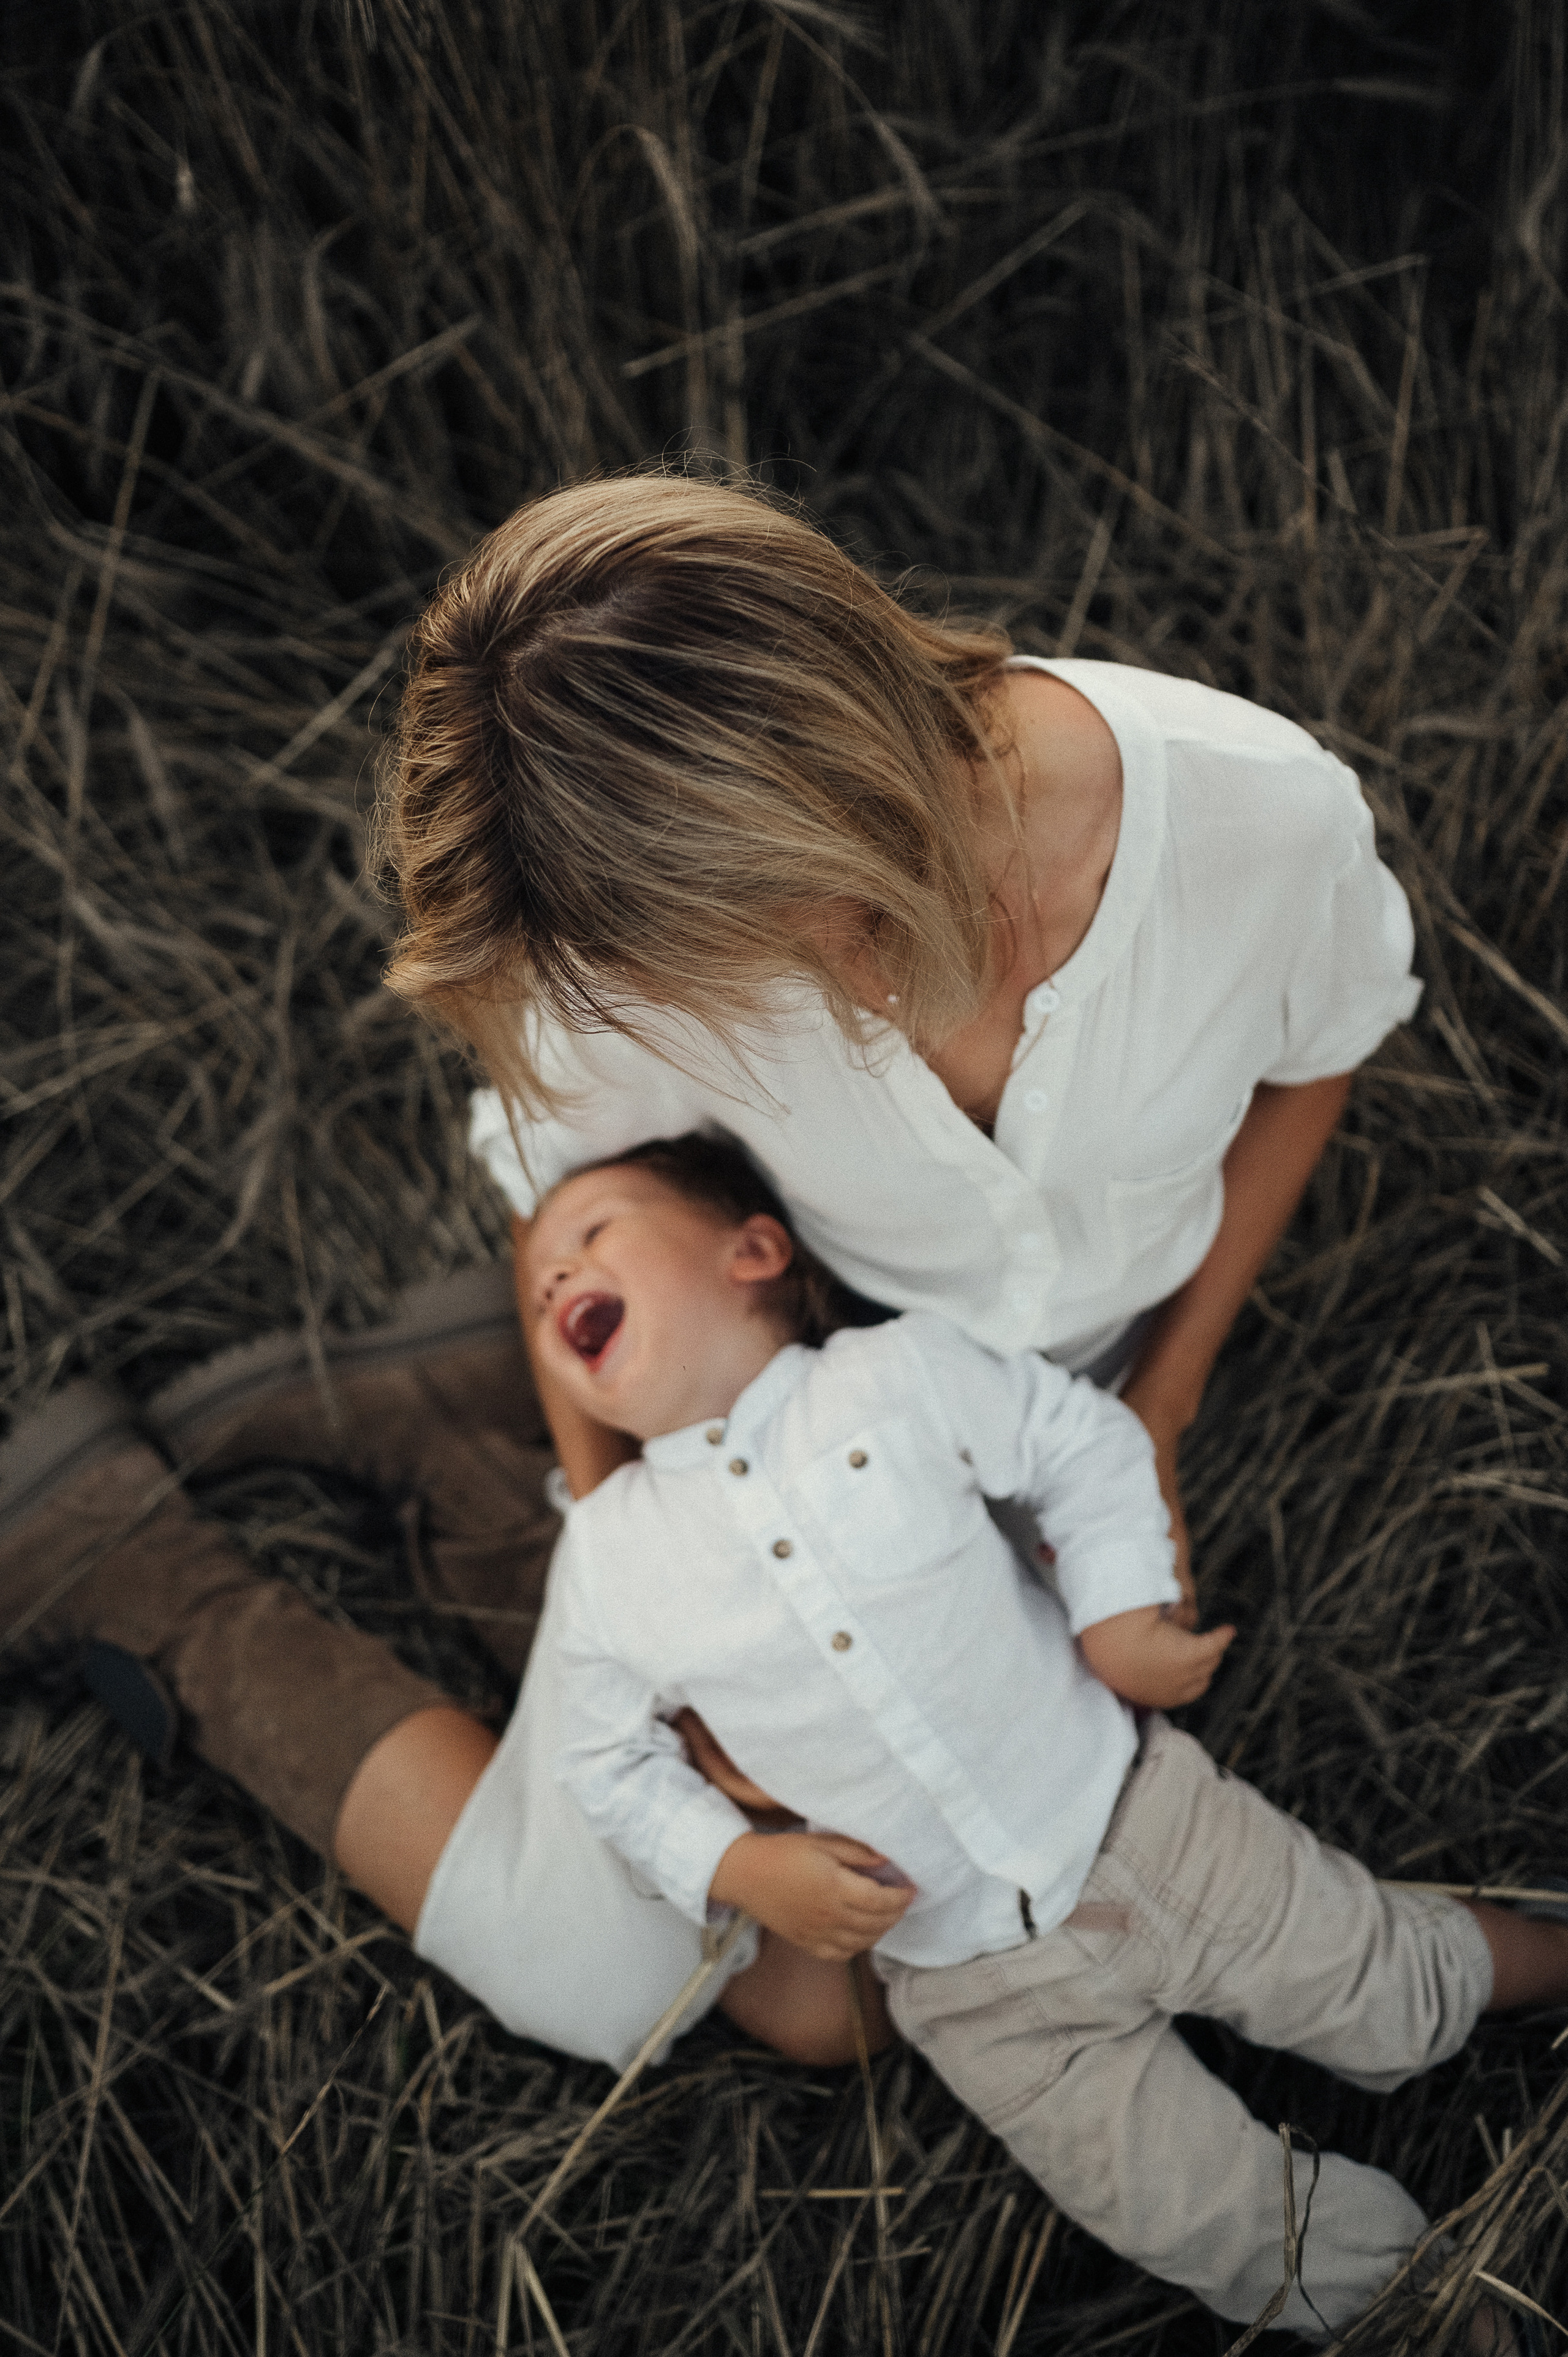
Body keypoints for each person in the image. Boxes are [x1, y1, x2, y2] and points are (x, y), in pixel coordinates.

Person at [1, 467, 1428, 2069]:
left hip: (992, 1424)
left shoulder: (1249, 806)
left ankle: (433, 1424)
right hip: (760, 1346)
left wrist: (1156, 1406)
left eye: (724, 953)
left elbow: (1323, 1047)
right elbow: (573, 1175)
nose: (692, 1002)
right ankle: (133, 1567)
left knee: (861, 1989)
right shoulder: (633, 952)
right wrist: (632, 1541)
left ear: (828, 803)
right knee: (614, 1976)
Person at [516, 1133, 1560, 2345]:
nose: (551, 1278)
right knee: (1195, 2214)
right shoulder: (608, 1558)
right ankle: (1434, 2318)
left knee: (1382, 1986)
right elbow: (604, 1759)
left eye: (590, 1234)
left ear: (751, 1251)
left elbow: (1076, 1440)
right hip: (964, 1978)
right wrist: (736, 1866)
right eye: (537, 1278)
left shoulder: (890, 1375)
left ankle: (1544, 1953)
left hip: (1141, 1825)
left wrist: (1116, 1615)